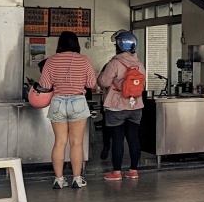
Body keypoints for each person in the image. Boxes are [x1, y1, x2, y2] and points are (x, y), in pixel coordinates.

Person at [38, 31, 98, 189]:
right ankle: (77, 179)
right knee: (76, 143)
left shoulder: (50, 61)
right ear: (76, 43)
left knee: (59, 143)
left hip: (58, 102)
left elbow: (44, 85)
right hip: (78, 101)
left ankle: (59, 179)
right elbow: (92, 83)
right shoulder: (84, 60)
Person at [97, 31, 147, 182]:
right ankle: (133, 170)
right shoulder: (139, 64)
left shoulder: (114, 63)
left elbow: (104, 82)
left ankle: (116, 172)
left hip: (116, 106)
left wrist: (102, 79)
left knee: (117, 138)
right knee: (133, 138)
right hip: (136, 105)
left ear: (119, 45)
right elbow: (142, 85)